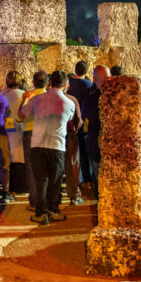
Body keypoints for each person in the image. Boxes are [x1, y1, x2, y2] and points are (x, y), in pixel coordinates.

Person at [19, 70, 77, 224]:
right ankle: (54, 210)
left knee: (40, 180)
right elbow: (71, 119)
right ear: (65, 84)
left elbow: (22, 114)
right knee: (55, 181)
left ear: (50, 83)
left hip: (37, 144)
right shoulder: (69, 103)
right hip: (57, 145)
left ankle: (40, 213)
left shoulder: (37, 99)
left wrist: (24, 100)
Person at [20, 71, 48, 213]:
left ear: (33, 81)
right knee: (45, 166)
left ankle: (34, 201)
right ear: (47, 83)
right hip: (46, 132)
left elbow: (20, 116)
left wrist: (25, 100)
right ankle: (45, 200)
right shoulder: (50, 96)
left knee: (31, 168)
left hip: (30, 132)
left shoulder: (29, 96)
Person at [65, 61, 92, 205]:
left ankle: (78, 179)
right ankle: (86, 179)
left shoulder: (69, 84)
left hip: (70, 122)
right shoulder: (88, 86)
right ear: (86, 71)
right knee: (84, 152)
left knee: (73, 153)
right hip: (83, 122)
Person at [83, 65, 110, 198]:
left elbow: (85, 122)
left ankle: (101, 197)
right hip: (113, 144)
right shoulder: (115, 98)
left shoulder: (89, 99)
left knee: (97, 170)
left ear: (94, 79)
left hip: (95, 141)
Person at [2, 71, 26, 199]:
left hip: (6, 128)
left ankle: (8, 187)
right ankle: (20, 187)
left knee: (8, 155)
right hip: (20, 127)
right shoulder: (24, 95)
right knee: (20, 155)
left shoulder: (1, 95)